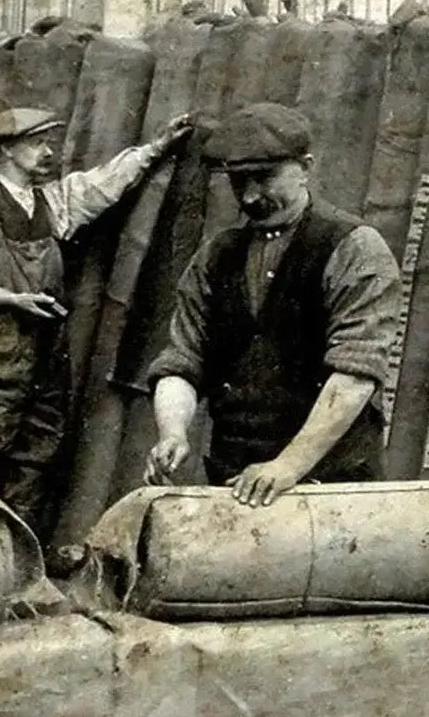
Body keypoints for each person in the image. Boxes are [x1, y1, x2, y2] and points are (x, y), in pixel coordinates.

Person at [0, 107, 193, 544]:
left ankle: (17, 558)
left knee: (38, 452)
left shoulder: (52, 202)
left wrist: (155, 148)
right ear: (7, 150)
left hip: (47, 349)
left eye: (49, 142)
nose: (48, 151)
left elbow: (103, 184)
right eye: (37, 143)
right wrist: (12, 299)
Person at [145, 102, 401, 507]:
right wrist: (173, 433)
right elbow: (182, 360)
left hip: (332, 486)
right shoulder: (216, 256)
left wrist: (288, 466)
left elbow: (355, 374)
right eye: (238, 182)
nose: (249, 196)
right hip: (237, 479)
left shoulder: (355, 247)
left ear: (306, 168)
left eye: (264, 178)